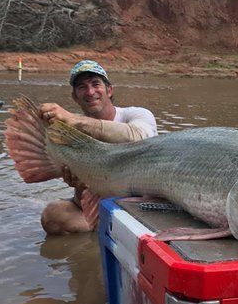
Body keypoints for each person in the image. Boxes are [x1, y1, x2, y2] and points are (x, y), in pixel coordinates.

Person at [39, 60, 157, 235]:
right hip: (97, 203)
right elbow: (81, 191)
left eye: (96, 84)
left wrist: (75, 120)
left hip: (136, 201)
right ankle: (98, 235)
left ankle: (111, 229)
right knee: (52, 216)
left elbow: (142, 137)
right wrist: (78, 183)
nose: (90, 92)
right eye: (82, 87)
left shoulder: (136, 114)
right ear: (75, 97)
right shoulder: (69, 131)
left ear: (109, 90)